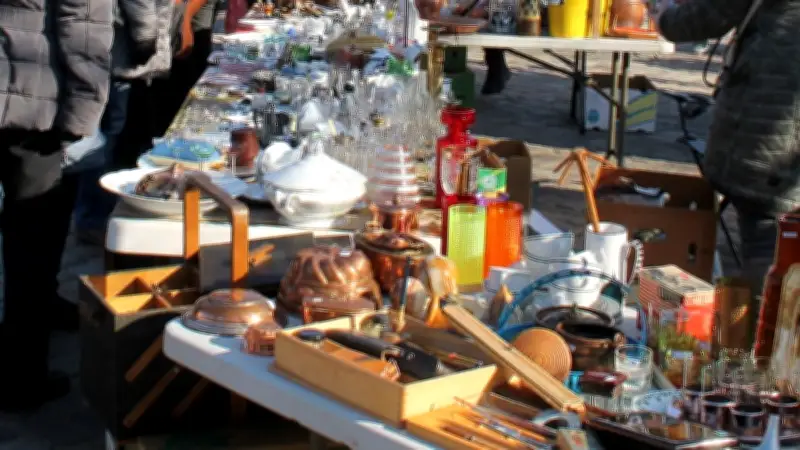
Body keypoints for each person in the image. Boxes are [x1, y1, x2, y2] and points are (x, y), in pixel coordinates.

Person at [0, 0, 113, 411]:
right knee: (33, 243)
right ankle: (21, 377)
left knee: (31, 240)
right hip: (34, 107)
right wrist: (82, 115)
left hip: (26, 94)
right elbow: (84, 25)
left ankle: (28, 342)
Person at [657, 0, 800, 308]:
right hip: (776, 135)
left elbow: (708, 15)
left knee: (768, 242)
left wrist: (663, 16)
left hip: (770, 130)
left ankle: (760, 330)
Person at [72, 0, 175, 245]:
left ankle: (99, 214)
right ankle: (95, 218)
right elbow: (140, 7)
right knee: (110, 142)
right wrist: (146, 41)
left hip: (124, 58)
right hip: (125, 60)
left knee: (116, 140)